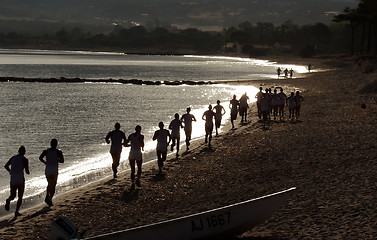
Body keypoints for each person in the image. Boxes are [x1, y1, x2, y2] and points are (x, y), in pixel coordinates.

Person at [4, 146, 30, 217]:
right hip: (20, 179)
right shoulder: (25, 159)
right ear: (24, 152)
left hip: (13, 178)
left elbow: (6, 166)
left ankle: (8, 200)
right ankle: (16, 211)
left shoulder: (13, 158)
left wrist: (11, 171)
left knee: (12, 195)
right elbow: (27, 171)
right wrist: (26, 169)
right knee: (20, 196)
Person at [39, 139, 64, 206]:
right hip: (54, 170)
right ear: (56, 144)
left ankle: (48, 196)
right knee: (53, 185)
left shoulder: (46, 151)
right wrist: (56, 160)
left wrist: (45, 162)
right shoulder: (58, 152)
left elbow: (40, 158)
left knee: (49, 184)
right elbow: (62, 161)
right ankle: (49, 198)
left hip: (48, 169)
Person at [125, 125, 144, 190]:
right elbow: (142, 144)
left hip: (132, 152)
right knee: (139, 167)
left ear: (135, 129)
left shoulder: (131, 136)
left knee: (132, 169)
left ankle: (132, 183)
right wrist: (142, 147)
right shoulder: (141, 136)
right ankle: (138, 179)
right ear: (140, 129)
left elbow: (125, 143)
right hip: (138, 152)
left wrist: (130, 144)